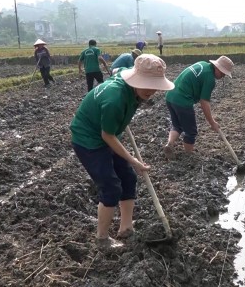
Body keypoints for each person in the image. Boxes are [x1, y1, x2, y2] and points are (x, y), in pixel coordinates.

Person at [70, 54, 175, 249]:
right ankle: (102, 239)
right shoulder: (115, 99)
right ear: (135, 79)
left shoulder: (133, 90)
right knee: (110, 187)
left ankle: (125, 228)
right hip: (89, 140)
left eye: (155, 85)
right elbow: (107, 136)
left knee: (128, 178)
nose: (151, 90)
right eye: (147, 84)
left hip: (107, 133)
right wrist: (133, 160)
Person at [163, 56, 234, 159]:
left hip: (170, 96)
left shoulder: (202, 64)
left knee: (177, 125)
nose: (223, 76)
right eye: (223, 73)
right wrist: (212, 122)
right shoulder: (210, 79)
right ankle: (189, 155)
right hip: (183, 100)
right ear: (217, 68)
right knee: (191, 132)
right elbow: (204, 102)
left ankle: (169, 144)